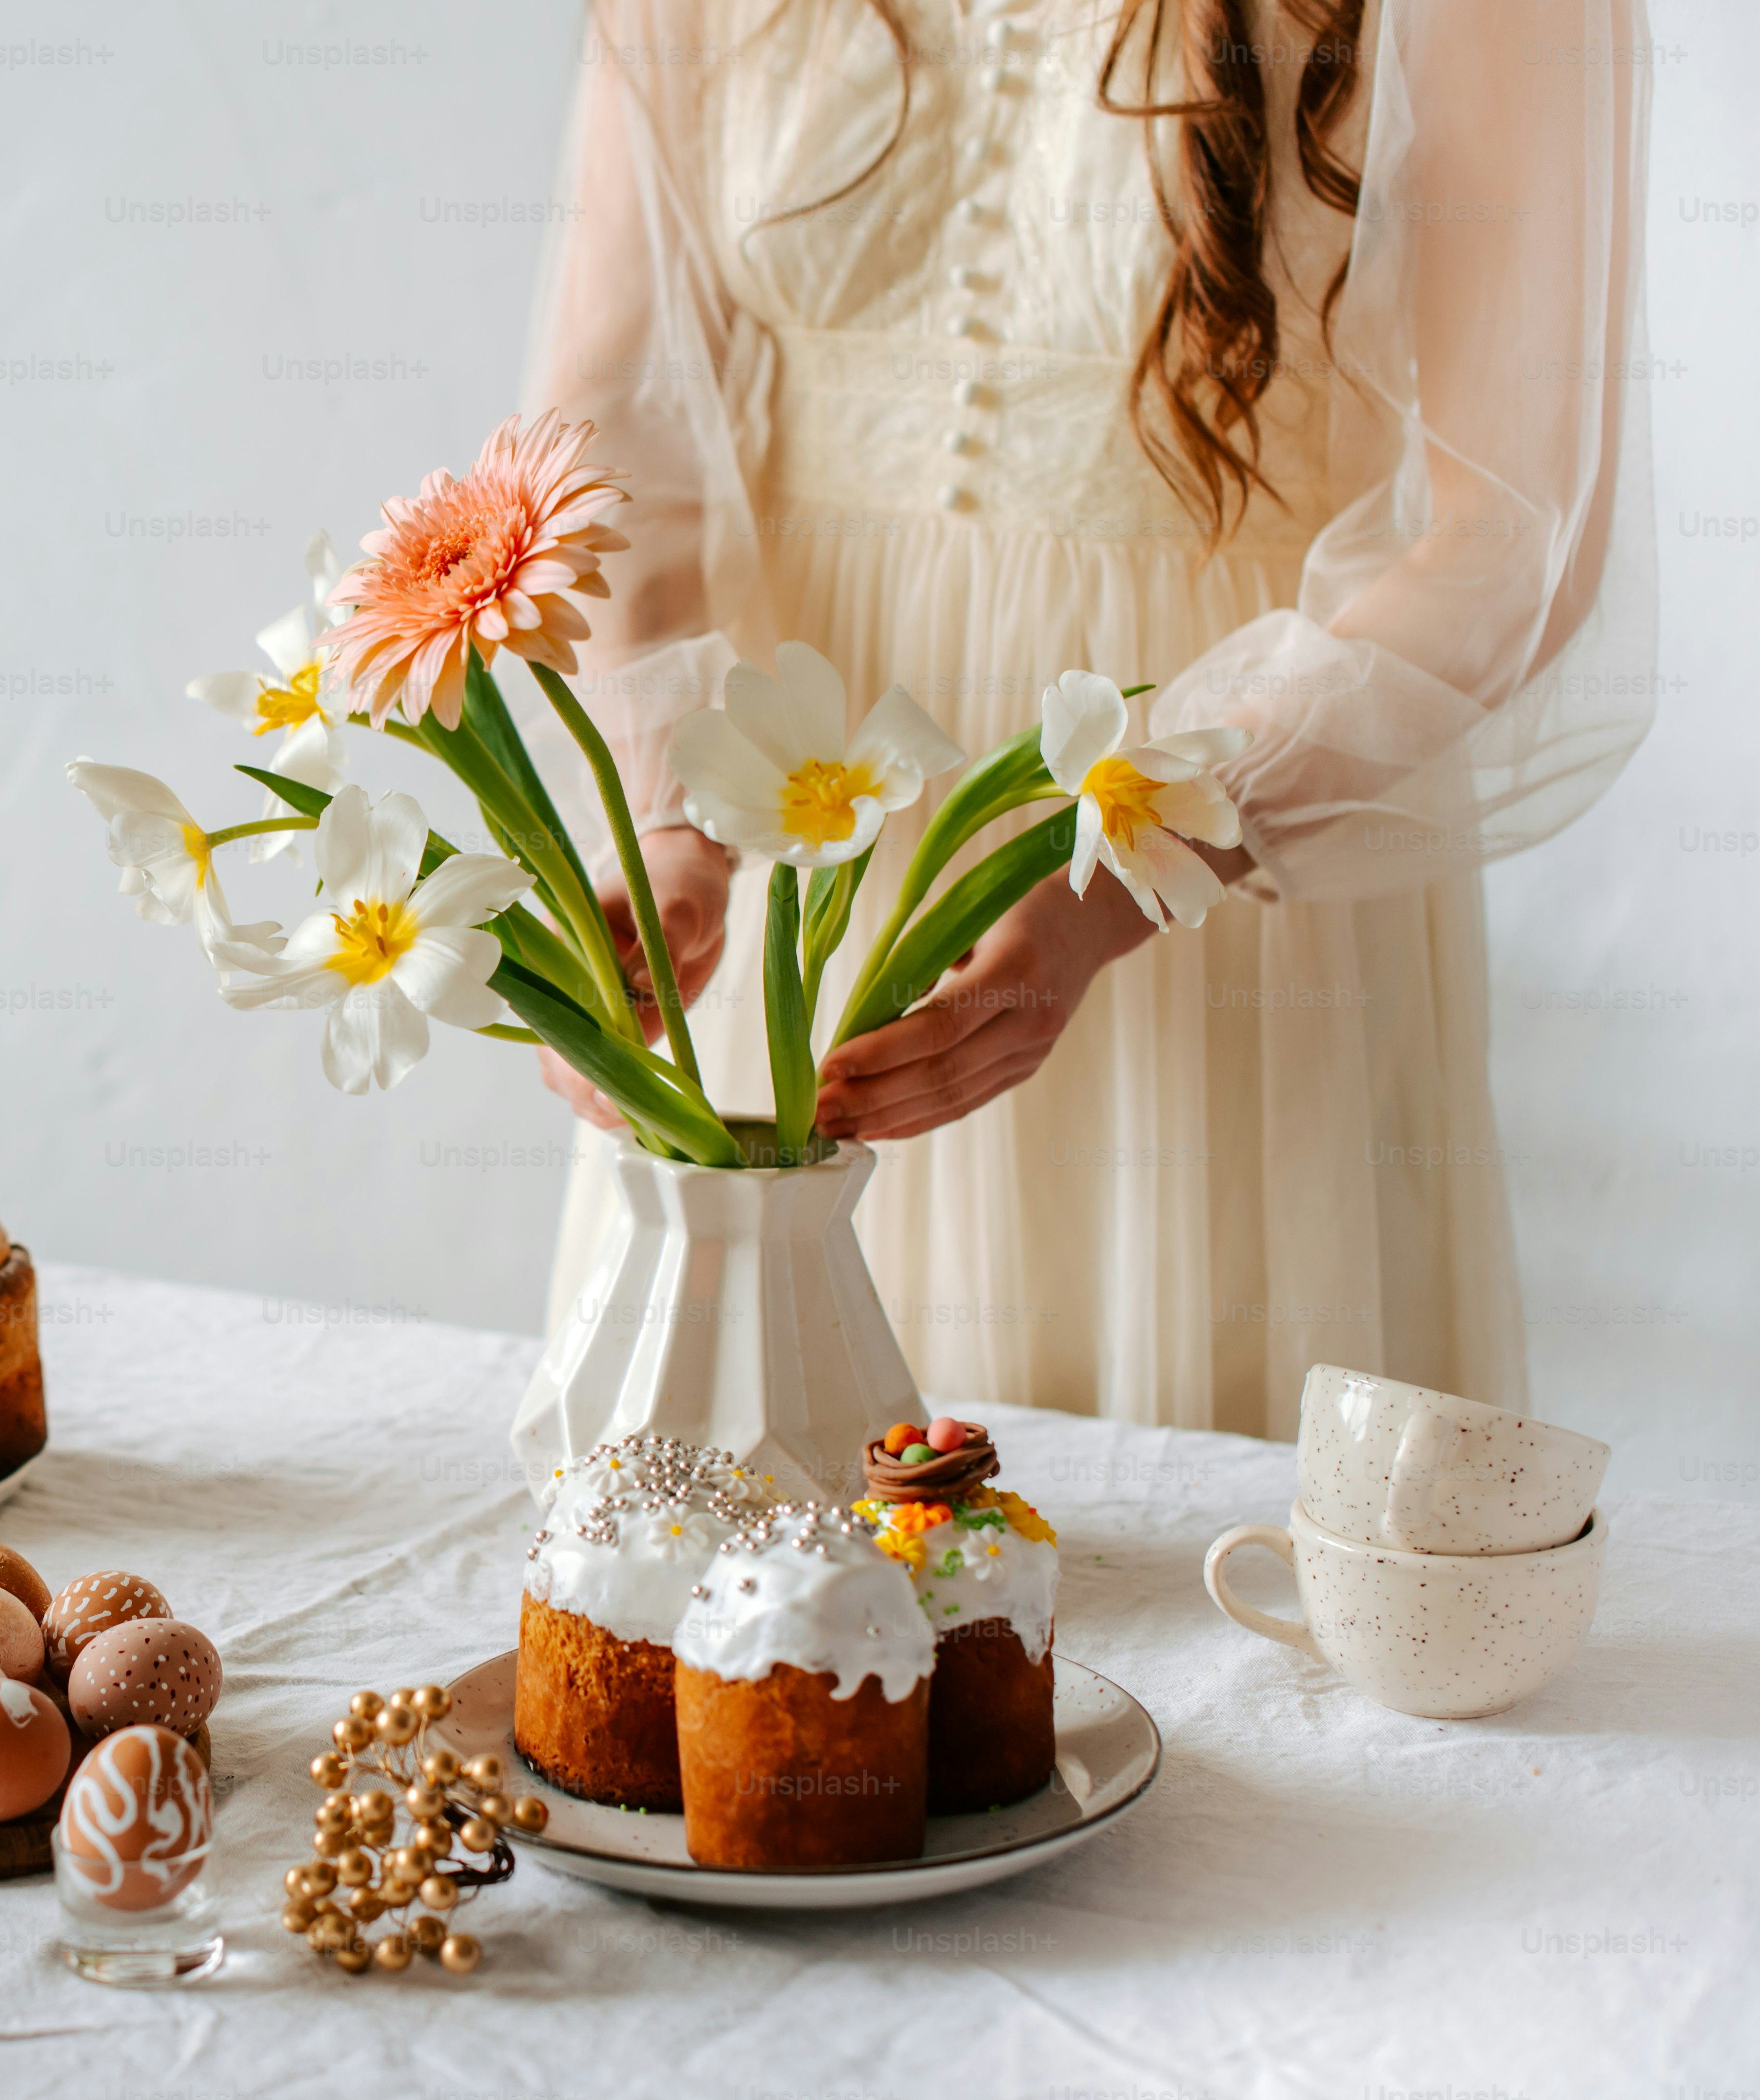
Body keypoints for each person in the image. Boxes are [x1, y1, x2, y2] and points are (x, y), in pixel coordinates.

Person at [522, 0, 1654, 1437]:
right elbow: (605, 423)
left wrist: (1117, 874)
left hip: (1218, 872)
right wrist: (670, 810)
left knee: (1186, 1588)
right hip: (789, 859)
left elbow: (1515, 539)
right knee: (735, 1561)